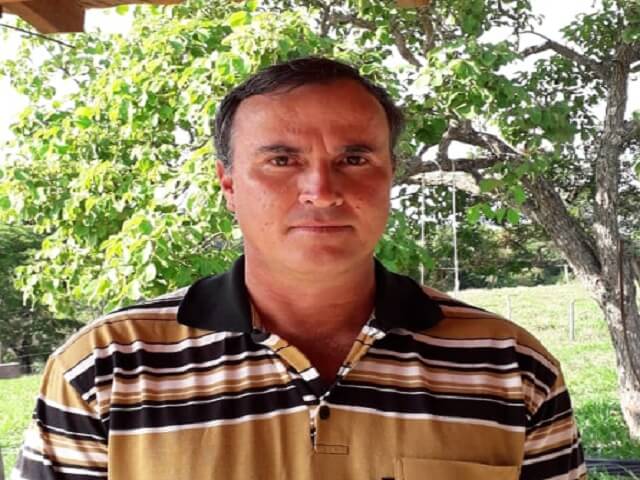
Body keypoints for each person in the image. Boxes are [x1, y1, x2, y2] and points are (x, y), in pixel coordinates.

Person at [13, 57, 586, 480]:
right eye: (282, 160)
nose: (322, 190)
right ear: (228, 184)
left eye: (354, 158)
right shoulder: (107, 368)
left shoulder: (509, 366)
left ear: (390, 175)